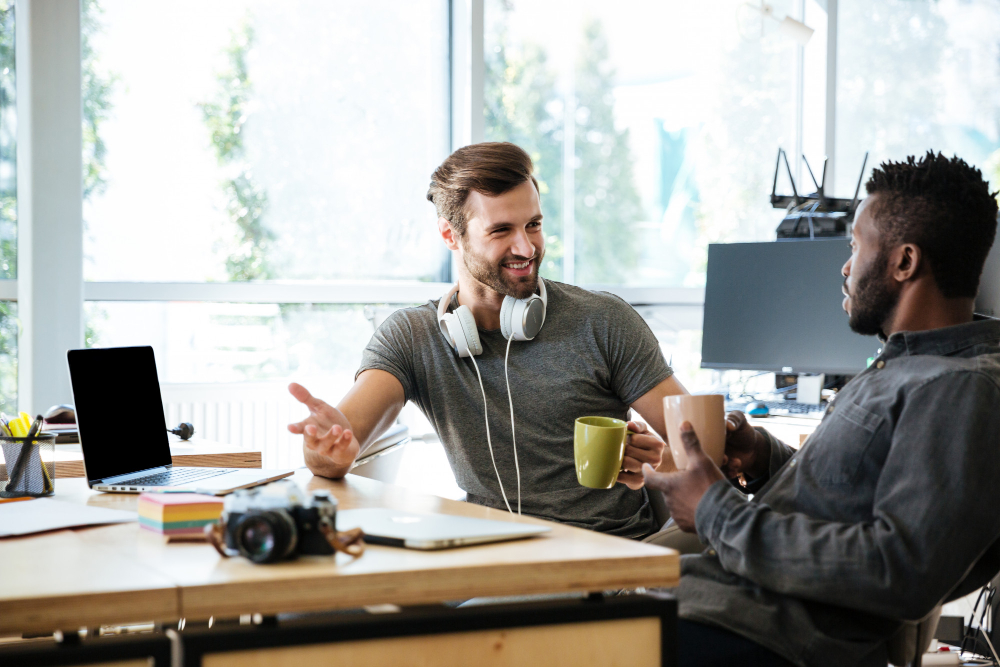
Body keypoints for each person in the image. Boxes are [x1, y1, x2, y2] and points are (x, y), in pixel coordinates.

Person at [643, 151, 1000, 666]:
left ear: (904, 262)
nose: (846, 265)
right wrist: (766, 454)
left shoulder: (961, 389)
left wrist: (714, 511)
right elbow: (852, 496)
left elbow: (897, 570)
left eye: (856, 245)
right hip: (713, 608)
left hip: (756, 637)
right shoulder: (906, 364)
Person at [289, 142, 686, 539]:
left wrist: (659, 462)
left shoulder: (603, 321)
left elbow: (699, 448)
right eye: (501, 231)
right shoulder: (412, 337)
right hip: (490, 556)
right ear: (451, 235)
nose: (526, 248)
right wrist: (322, 449)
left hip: (607, 558)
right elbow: (337, 446)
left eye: (533, 224)